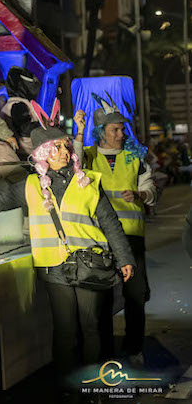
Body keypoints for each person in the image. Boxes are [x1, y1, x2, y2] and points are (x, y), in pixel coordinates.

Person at [0, 100, 135, 394]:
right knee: (66, 331)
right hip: (53, 269)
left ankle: (93, 387)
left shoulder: (88, 182)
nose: (65, 151)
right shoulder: (30, 186)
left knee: (91, 327)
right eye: (57, 147)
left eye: (65, 145)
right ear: (43, 154)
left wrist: (125, 258)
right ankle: (68, 388)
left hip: (89, 263)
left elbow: (110, 223)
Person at [74, 95, 156, 364]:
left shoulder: (135, 156)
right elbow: (74, 164)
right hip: (100, 238)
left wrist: (141, 195)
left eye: (122, 129)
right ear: (101, 133)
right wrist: (79, 131)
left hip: (131, 236)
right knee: (104, 299)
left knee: (135, 296)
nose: (121, 134)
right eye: (115, 130)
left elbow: (151, 189)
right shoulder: (89, 156)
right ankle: (106, 353)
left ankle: (134, 349)